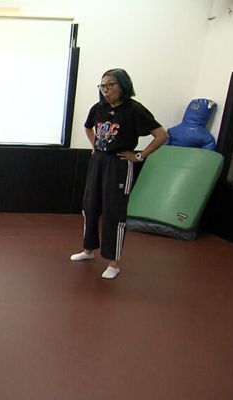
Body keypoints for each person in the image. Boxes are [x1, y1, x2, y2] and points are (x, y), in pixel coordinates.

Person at [70, 68, 169, 279]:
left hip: (119, 163)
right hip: (98, 161)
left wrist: (140, 155)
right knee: (90, 205)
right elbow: (88, 128)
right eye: (102, 86)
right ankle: (88, 250)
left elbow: (162, 135)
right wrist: (95, 146)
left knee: (114, 210)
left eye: (110, 85)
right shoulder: (98, 108)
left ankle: (113, 263)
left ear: (122, 86)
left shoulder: (134, 110)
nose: (105, 90)